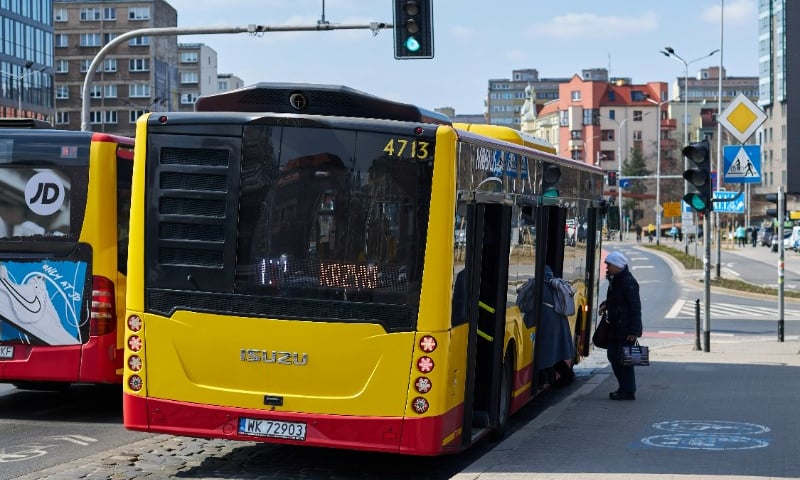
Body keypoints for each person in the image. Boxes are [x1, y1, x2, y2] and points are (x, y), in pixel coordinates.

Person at [599, 251, 642, 400]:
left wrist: (634, 331)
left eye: (609, 265)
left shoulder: (628, 282)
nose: (607, 268)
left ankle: (628, 391)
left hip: (625, 330)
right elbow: (614, 300)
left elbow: (635, 307)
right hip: (614, 327)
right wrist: (605, 305)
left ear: (617, 266)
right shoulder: (615, 280)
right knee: (613, 356)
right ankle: (623, 387)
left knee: (625, 360)